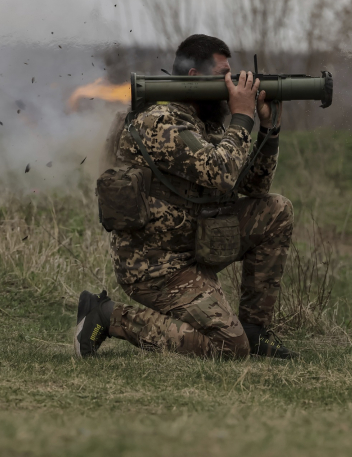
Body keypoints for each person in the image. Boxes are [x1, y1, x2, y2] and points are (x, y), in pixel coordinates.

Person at [75, 34, 295, 359]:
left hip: (195, 245)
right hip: (156, 266)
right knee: (228, 348)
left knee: (275, 210)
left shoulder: (205, 123)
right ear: (195, 78)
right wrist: (242, 117)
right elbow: (219, 171)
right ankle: (108, 316)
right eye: (224, 75)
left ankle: (254, 329)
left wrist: (268, 129)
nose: (231, 84)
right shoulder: (160, 123)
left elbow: (253, 187)